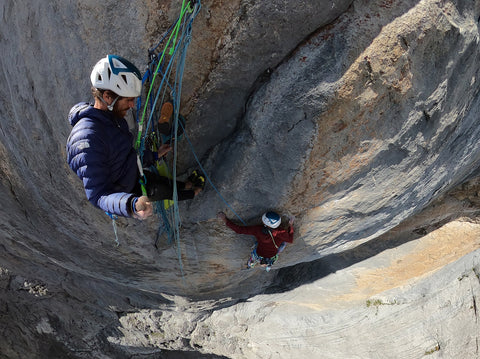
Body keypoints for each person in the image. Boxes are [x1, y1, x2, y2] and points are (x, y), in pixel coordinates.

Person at [66, 54, 204, 220]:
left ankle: (189, 185)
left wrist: (154, 155)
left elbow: (125, 154)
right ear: (108, 96)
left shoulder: (112, 120)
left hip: (135, 174)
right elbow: (98, 195)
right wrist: (131, 204)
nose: (132, 105)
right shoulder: (87, 141)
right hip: (128, 192)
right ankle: (195, 192)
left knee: (165, 186)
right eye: (128, 100)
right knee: (164, 191)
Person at [217, 211, 294, 270]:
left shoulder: (258, 230)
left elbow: (239, 230)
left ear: (264, 221)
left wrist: (225, 219)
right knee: (284, 243)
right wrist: (290, 225)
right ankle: (266, 263)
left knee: (258, 248)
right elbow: (290, 239)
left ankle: (251, 263)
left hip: (260, 253)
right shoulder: (282, 232)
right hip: (272, 254)